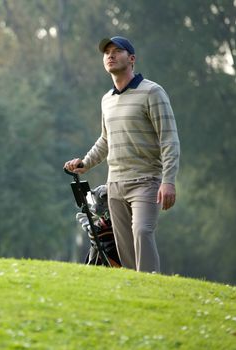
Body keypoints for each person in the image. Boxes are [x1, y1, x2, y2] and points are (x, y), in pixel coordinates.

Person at [64, 36, 180, 273]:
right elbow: (106, 139)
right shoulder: (107, 100)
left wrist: (168, 181)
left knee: (142, 231)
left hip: (146, 181)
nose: (110, 56)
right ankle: (133, 289)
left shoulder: (152, 92)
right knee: (124, 243)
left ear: (132, 59)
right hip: (115, 184)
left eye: (117, 51)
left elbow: (169, 138)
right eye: (107, 52)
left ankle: (150, 286)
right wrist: (85, 163)